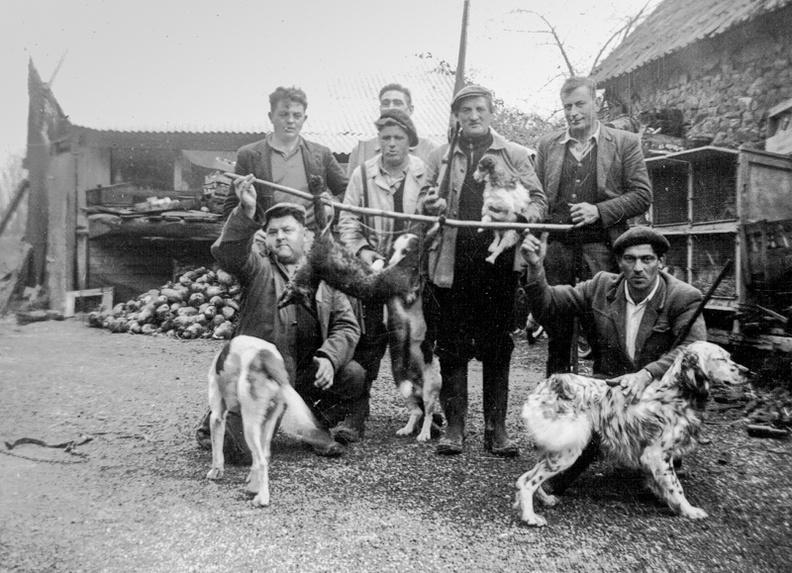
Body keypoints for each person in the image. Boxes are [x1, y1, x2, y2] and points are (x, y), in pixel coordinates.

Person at [519, 225, 707, 492]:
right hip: (611, 389)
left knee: (655, 481)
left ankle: (654, 460)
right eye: (630, 259)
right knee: (555, 481)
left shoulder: (684, 296)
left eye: (647, 259)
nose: (638, 268)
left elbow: (694, 348)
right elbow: (548, 303)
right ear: (619, 262)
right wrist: (535, 267)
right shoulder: (601, 286)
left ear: (661, 262)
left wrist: (648, 374)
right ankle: (586, 455)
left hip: (657, 396)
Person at [420, 85, 547, 457]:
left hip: (499, 262)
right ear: (457, 116)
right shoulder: (442, 156)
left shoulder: (514, 153)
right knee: (453, 345)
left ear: (491, 113)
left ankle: (497, 429)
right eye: (465, 111)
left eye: (479, 109)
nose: (473, 116)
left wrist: (523, 215)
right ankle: (455, 427)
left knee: (497, 345)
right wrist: (432, 202)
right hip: (453, 261)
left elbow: (539, 200)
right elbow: (425, 199)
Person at [197, 188, 367, 458]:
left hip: (306, 374)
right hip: (262, 377)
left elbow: (347, 325)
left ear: (305, 235)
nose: (280, 237)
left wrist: (329, 358)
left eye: (288, 230)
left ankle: (312, 426)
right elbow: (229, 253)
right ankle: (218, 422)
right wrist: (246, 212)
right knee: (239, 455)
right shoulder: (257, 266)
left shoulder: (324, 275)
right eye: (274, 232)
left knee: (353, 375)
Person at [535, 76, 652, 375]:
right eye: (566, 107)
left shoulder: (625, 143)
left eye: (579, 104)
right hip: (557, 251)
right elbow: (536, 196)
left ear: (596, 104)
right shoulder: (548, 144)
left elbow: (642, 195)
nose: (572, 112)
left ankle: (603, 408)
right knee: (558, 334)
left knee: (604, 332)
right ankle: (558, 409)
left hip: (601, 250)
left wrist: (599, 211)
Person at [338, 108, 430, 429]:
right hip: (372, 272)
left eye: (398, 138)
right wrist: (367, 255)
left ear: (410, 142)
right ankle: (356, 414)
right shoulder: (363, 174)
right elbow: (348, 223)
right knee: (368, 339)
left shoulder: (424, 174)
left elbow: (432, 225)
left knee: (409, 342)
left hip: (409, 276)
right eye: (385, 137)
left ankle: (423, 410)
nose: (391, 144)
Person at [223, 86, 348, 232]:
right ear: (271, 116)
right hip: (268, 242)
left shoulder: (321, 154)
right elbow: (230, 208)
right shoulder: (248, 155)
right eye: (283, 114)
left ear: (304, 119)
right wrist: (248, 213)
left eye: (297, 115)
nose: (290, 121)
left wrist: (332, 206)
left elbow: (348, 192)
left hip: (310, 241)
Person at [346, 83, 437, 177]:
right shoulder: (361, 152)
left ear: (410, 110)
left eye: (398, 103)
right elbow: (352, 189)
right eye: (386, 104)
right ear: (380, 109)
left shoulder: (430, 150)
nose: (391, 107)